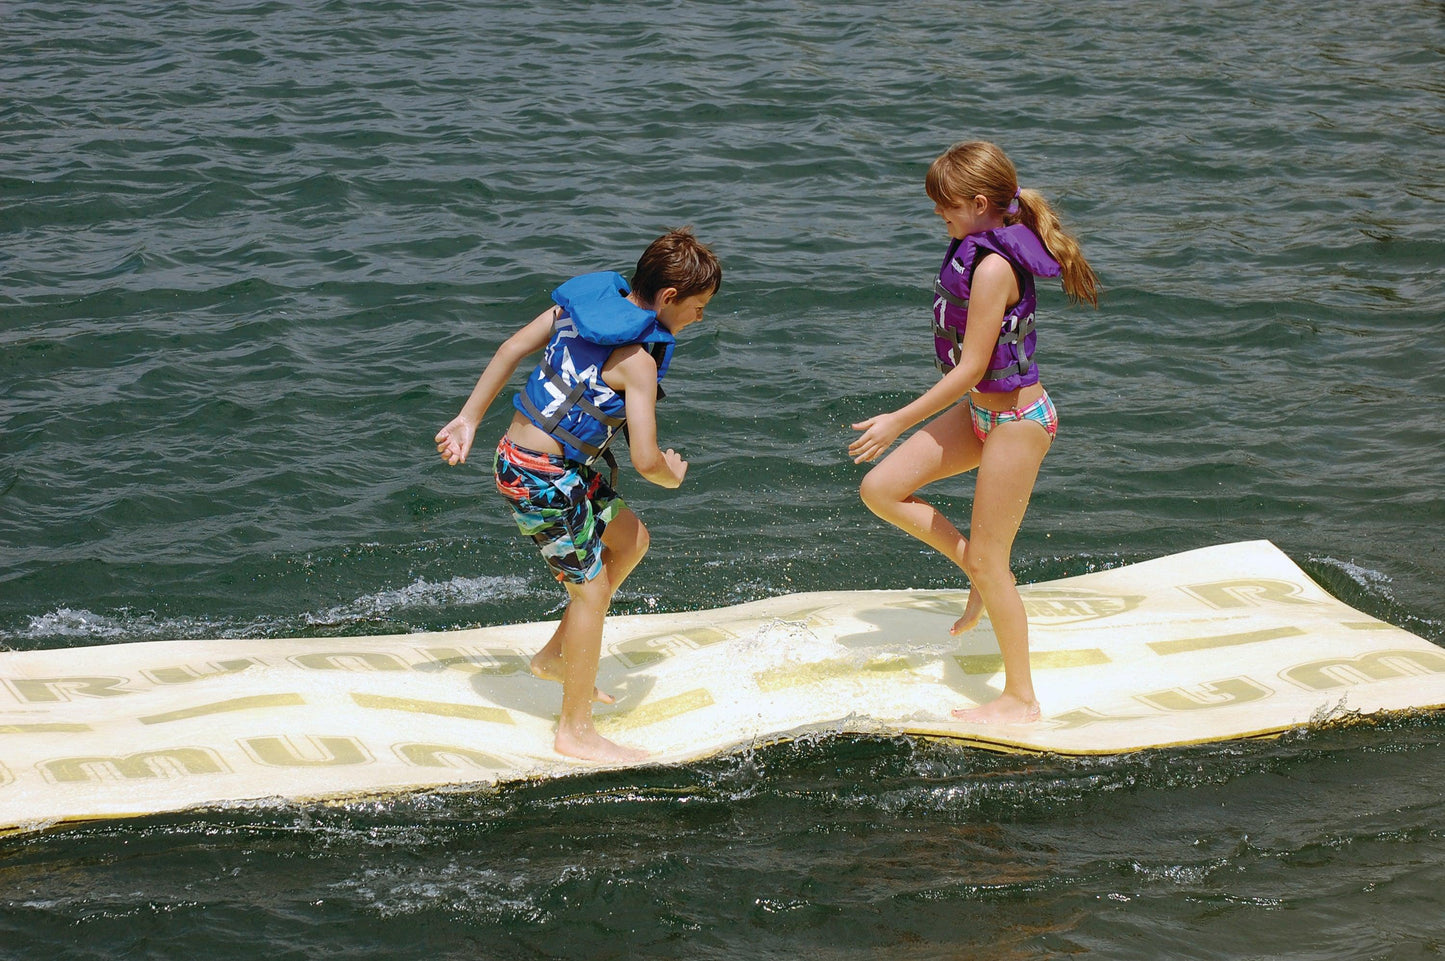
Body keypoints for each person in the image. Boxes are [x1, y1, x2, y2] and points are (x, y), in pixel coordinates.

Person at [435, 228, 721, 762]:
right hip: (539, 474)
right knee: (590, 594)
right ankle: (575, 731)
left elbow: (510, 348)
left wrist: (469, 418)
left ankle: (553, 658)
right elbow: (647, 461)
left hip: (546, 464)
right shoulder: (638, 362)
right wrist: (673, 475)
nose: (700, 318)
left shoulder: (576, 312)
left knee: (631, 540)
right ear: (669, 297)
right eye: (698, 307)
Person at [848, 141, 1097, 724]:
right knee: (880, 490)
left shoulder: (992, 267)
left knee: (992, 561)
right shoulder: (975, 248)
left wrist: (897, 420)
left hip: (1017, 422)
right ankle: (982, 571)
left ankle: (1021, 698)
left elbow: (970, 369)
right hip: (983, 414)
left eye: (947, 206)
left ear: (981, 203)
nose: (939, 214)